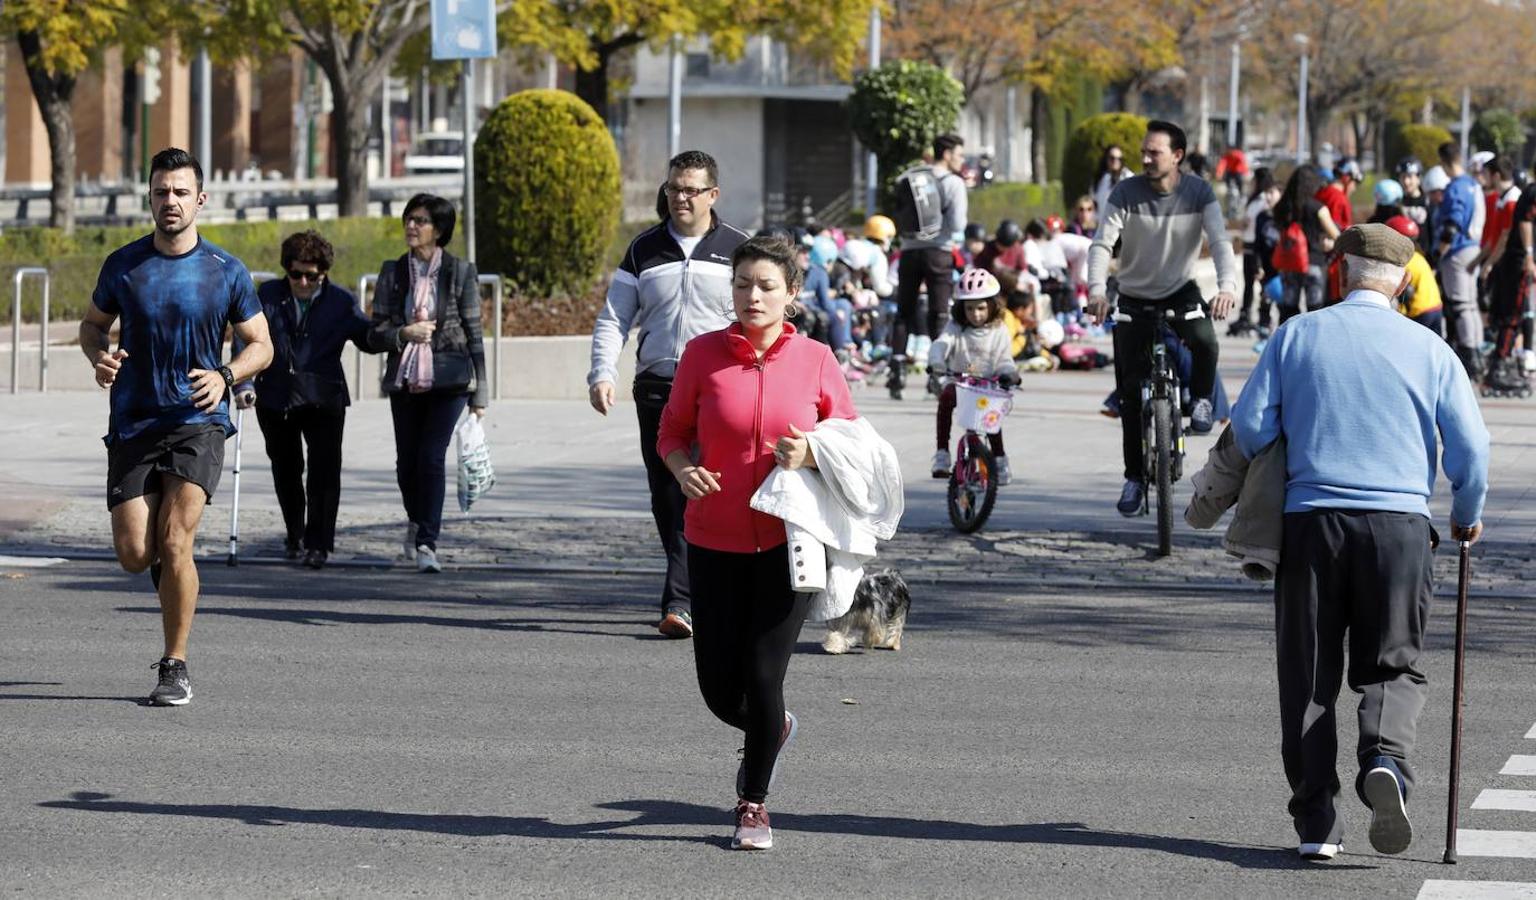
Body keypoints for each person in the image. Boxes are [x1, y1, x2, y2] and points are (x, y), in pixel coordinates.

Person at [1229, 223, 1489, 862]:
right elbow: (1472, 449)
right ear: (1403, 281)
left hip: (1311, 523)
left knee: (1309, 674)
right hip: (1399, 527)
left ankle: (1317, 822)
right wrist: (1467, 512)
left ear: (1340, 268)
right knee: (1393, 662)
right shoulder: (1428, 349)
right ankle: (1387, 762)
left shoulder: (1296, 336)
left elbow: (1250, 427)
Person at [656, 234, 858, 851]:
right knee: (721, 690)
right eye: (742, 284)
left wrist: (813, 451)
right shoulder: (701, 355)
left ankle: (753, 803)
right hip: (712, 541)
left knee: (764, 674)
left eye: (766, 285)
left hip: (788, 544)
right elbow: (672, 432)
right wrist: (681, 468)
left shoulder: (818, 359)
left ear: (791, 294)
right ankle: (775, 730)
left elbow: (852, 442)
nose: (752, 295)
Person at [78, 147, 273, 706]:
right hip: (135, 419)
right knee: (136, 554)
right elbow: (92, 327)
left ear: (200, 200)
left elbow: (262, 345)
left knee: (175, 539)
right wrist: (100, 357)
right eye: (162, 192)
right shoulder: (124, 265)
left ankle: (175, 665)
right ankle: (166, 574)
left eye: (181, 192)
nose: (171, 201)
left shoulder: (225, 270)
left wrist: (227, 375)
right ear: (150, 197)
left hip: (198, 420)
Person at [588, 150, 750, 639]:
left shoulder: (738, 248)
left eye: (691, 189)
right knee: (667, 497)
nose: (680, 197)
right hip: (658, 388)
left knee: (706, 491)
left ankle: (682, 600)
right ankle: (693, 589)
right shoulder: (644, 249)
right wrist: (602, 372)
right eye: (674, 188)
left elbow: (761, 312)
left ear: (712, 195)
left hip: (720, 388)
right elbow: (615, 317)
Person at [1086, 120, 1238, 517]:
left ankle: (1202, 400)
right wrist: (1097, 292)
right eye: (1145, 152)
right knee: (1133, 394)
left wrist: (1227, 288)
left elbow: (1220, 242)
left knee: (1205, 339)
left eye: (1155, 152)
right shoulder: (1126, 192)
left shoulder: (1199, 192)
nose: (1146, 158)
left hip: (1180, 289)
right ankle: (1134, 477)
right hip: (1133, 293)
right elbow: (1102, 243)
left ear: (1177, 156)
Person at [233, 230, 375, 569]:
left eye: (312, 276)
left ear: (323, 272)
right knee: (286, 470)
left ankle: (319, 544)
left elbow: (367, 337)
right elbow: (247, 340)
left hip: (324, 399)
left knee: (324, 475)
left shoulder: (340, 301)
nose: (303, 282)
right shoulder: (268, 294)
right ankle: (295, 534)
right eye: (296, 273)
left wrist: (399, 335)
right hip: (276, 397)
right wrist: (243, 383)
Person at [371, 194, 489, 575]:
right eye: (409, 219)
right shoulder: (392, 272)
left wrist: (481, 391)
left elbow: (474, 333)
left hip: (450, 380)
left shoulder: (459, 271)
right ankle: (415, 520)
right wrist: (404, 332)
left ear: (438, 230)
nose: (411, 226)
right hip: (405, 379)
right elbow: (376, 332)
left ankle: (427, 542)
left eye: (420, 221)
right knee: (406, 463)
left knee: (431, 458)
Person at [889, 133, 967, 399]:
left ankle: (896, 370)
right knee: (939, 313)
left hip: (909, 251)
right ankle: (937, 372)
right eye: (959, 154)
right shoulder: (952, 182)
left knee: (904, 311)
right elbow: (957, 225)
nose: (961, 159)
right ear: (946, 154)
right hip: (939, 252)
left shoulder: (909, 177)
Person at [928, 269, 1020, 485]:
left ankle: (999, 459)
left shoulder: (999, 330)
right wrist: (937, 362)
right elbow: (941, 345)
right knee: (946, 398)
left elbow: (1004, 358)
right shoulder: (956, 327)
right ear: (961, 308)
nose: (975, 314)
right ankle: (942, 453)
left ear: (992, 305)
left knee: (991, 420)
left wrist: (1008, 373)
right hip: (960, 382)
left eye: (981, 308)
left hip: (988, 385)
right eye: (969, 308)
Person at [1431, 141, 1488, 378]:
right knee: (1470, 303)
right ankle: (1477, 349)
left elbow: (1451, 226)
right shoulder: (1474, 184)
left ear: (1445, 163)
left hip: (1457, 251)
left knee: (1461, 305)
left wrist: (1438, 253)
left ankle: (1470, 356)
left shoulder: (1455, 188)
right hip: (1473, 247)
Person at [1272, 165, 1340, 322]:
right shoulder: (1318, 208)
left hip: (1289, 264)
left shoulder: (1282, 207)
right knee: (1315, 311)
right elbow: (1336, 236)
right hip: (1314, 264)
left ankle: (1288, 342)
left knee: (1288, 310)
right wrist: (1329, 243)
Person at [1235, 168, 1280, 335]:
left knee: (1262, 284)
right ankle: (1247, 315)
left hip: (1256, 246)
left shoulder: (1262, 201)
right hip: (1249, 245)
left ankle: (1262, 320)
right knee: (1249, 284)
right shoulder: (1256, 200)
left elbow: (1249, 222)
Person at [1383, 215, 1444, 334]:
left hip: (1420, 311)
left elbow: (1404, 291)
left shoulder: (1402, 262)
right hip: (1436, 307)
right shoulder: (1418, 256)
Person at [1316, 158, 1361, 230]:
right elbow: (1341, 232)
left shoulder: (1321, 191)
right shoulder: (1340, 199)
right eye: (1355, 182)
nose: (1354, 188)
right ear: (1347, 178)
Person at [1092, 144, 1132, 214]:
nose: (1115, 161)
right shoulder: (1100, 179)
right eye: (1112, 158)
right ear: (1106, 159)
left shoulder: (1128, 177)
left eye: (1119, 159)